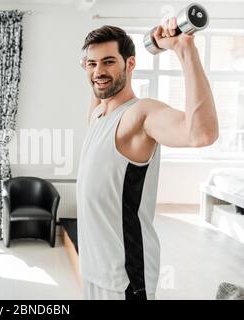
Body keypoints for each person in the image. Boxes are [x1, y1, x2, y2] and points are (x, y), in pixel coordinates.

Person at [76, 20, 219, 300]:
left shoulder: (140, 114)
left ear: (130, 64)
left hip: (124, 279)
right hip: (93, 270)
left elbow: (202, 134)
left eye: (108, 62)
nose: (98, 71)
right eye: (91, 64)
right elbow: (97, 85)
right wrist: (93, 67)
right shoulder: (98, 114)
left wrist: (184, 48)